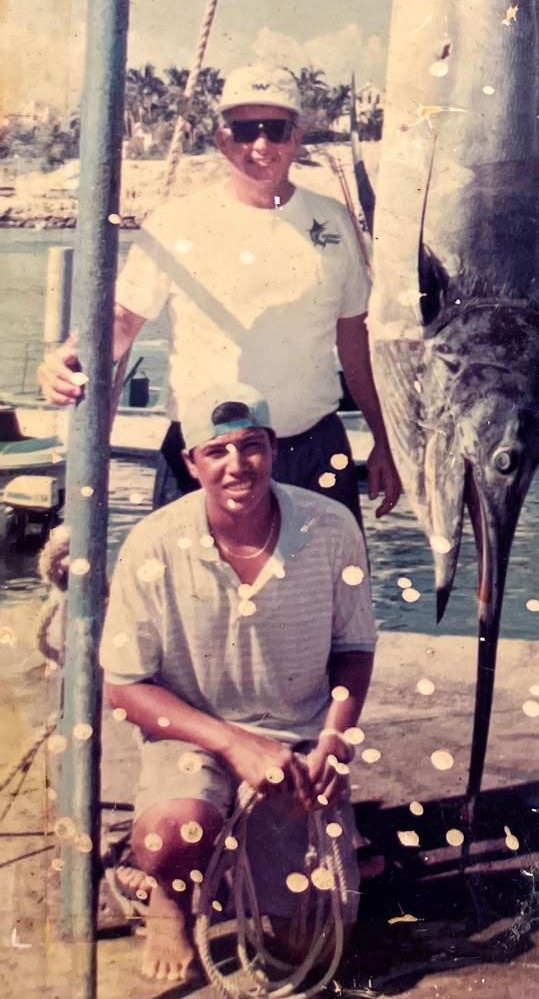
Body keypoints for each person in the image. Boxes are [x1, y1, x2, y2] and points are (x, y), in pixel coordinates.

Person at [39, 64, 401, 524]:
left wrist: (385, 436)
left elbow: (356, 345)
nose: (262, 145)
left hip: (313, 450)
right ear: (221, 138)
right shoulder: (176, 222)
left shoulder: (336, 222)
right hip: (202, 456)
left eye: (277, 129)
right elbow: (121, 323)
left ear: (297, 137)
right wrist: (66, 359)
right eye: (246, 130)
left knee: (326, 595)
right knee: (190, 596)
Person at [99, 384, 377, 983]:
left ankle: (259, 858)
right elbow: (123, 689)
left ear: (273, 450)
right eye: (217, 451)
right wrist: (232, 743)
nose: (236, 465)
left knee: (310, 939)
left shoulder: (332, 528)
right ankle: (169, 898)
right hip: (191, 740)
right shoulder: (151, 543)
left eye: (251, 446)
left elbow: (354, 649)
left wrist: (333, 740)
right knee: (171, 835)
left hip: (297, 745)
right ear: (190, 462)